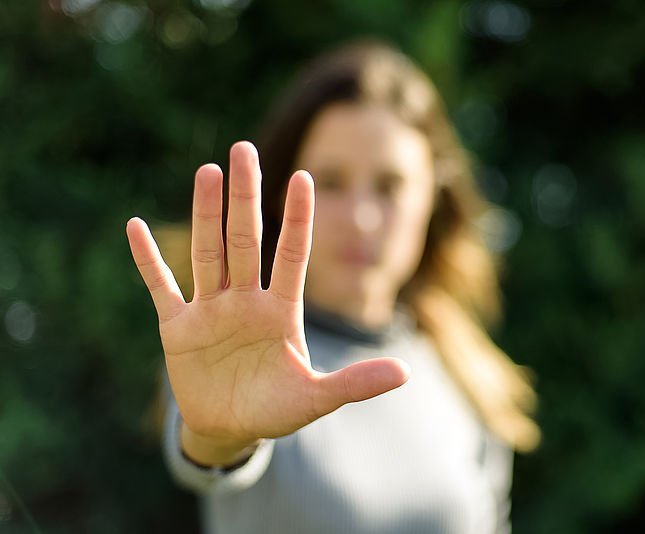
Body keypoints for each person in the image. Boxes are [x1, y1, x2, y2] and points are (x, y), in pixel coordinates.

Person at [126, 40, 539, 534]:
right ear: (281, 195)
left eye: (390, 186)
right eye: (331, 181)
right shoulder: (239, 346)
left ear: (433, 196)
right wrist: (219, 438)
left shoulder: (468, 370)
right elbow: (209, 451)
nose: (361, 218)